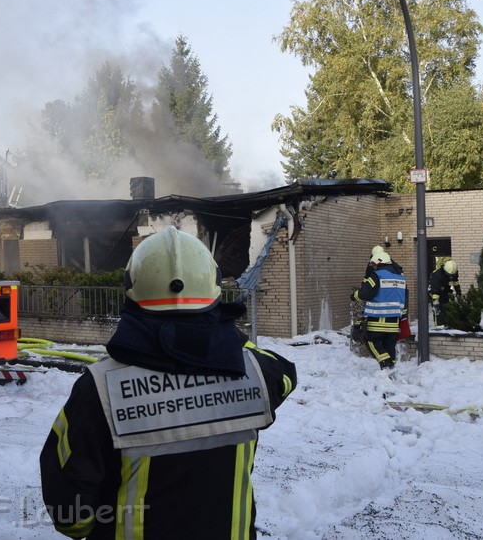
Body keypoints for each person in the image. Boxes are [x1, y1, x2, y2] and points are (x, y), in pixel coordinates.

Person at [40, 226, 297, 539]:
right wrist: (226, 338)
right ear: (213, 288)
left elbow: (70, 512)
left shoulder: (100, 388)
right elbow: (284, 375)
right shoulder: (255, 368)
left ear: (131, 290)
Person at [352, 245, 408, 370]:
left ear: (378, 262)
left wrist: (354, 296)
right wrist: (403, 316)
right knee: (389, 345)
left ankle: (386, 363)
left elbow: (365, 293)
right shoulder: (400, 277)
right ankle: (390, 368)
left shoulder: (377, 275)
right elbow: (404, 297)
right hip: (394, 322)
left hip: (378, 319)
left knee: (371, 340)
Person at [428, 257, 462, 327]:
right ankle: (439, 326)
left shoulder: (453, 271)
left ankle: (448, 324)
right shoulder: (437, 275)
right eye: (450, 275)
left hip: (445, 291)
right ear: (445, 271)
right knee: (438, 311)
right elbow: (434, 290)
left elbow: (455, 282)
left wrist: (458, 292)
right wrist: (436, 302)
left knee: (447, 308)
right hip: (435, 292)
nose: (451, 277)